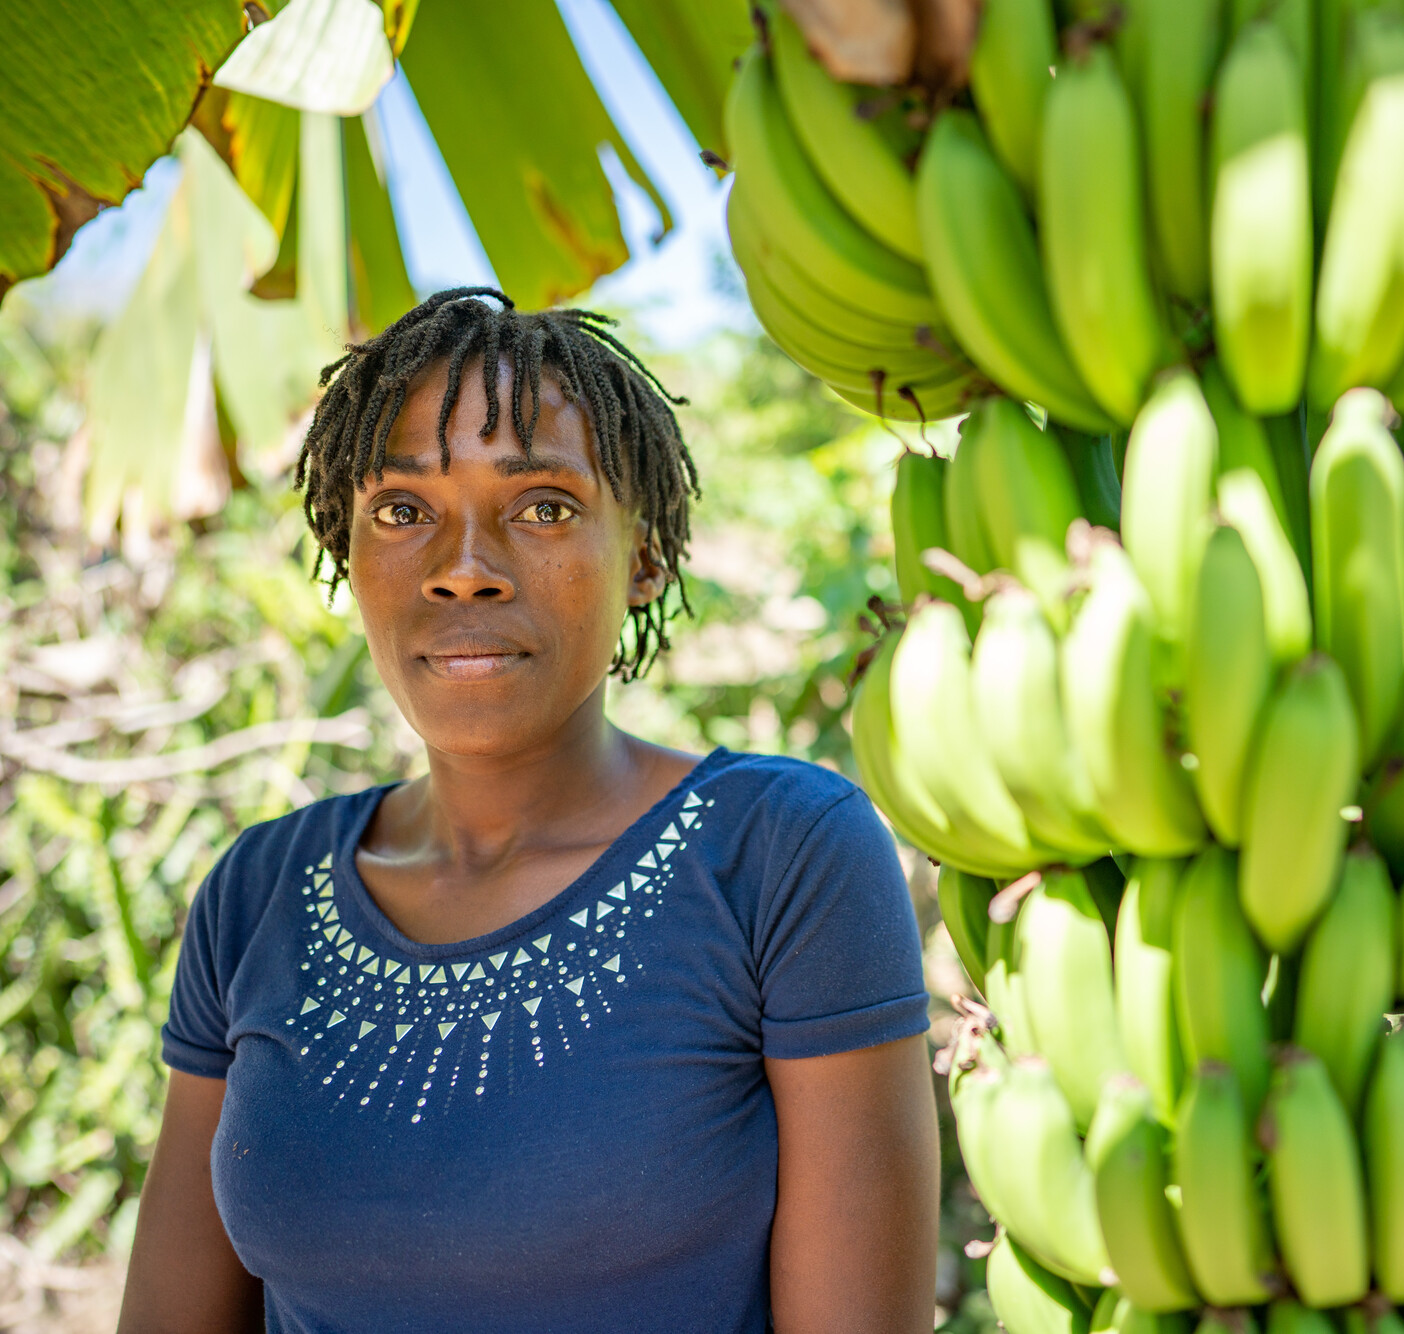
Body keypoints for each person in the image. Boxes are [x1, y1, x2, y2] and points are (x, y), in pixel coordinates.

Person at [116, 289, 940, 1334]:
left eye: (543, 505)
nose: (463, 570)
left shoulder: (781, 855)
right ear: (348, 555)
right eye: (402, 511)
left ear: (643, 558)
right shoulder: (258, 891)